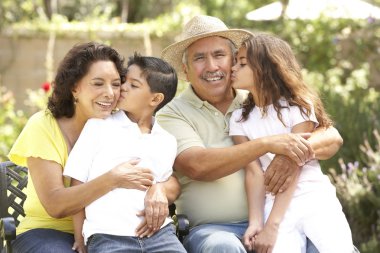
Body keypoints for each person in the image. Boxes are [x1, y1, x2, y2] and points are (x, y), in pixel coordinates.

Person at [157, 15, 343, 253]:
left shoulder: (257, 100)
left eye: (219, 55)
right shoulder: (172, 114)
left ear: (234, 61)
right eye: (200, 58)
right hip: (215, 229)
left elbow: (331, 137)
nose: (212, 66)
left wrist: (288, 155)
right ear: (185, 69)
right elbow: (197, 166)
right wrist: (268, 144)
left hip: (277, 215)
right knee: (222, 247)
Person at [7, 42, 181, 253]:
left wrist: (159, 188)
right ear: (74, 88)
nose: (111, 93)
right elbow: (56, 205)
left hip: (111, 231)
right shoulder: (44, 125)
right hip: (50, 231)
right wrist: (113, 179)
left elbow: (166, 177)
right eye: (98, 84)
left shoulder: (125, 126)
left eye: (117, 84)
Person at [229, 33, 353, 253]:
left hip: (314, 197)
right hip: (273, 202)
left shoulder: (298, 107)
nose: (233, 68)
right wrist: (257, 222)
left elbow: (293, 165)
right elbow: (254, 173)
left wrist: (272, 226)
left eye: (242, 63)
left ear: (265, 68)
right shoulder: (239, 119)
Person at [63, 53, 186, 253]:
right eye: (124, 81)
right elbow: (78, 183)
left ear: (155, 98)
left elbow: (163, 185)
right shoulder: (97, 127)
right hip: (108, 236)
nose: (123, 88)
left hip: (160, 235)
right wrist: (80, 236)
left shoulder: (167, 141)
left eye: (134, 85)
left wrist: (161, 190)